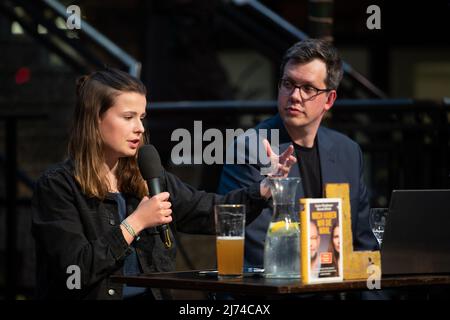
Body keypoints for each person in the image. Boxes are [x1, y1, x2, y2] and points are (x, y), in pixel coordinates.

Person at [31, 68, 296, 300]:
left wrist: (263, 188)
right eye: (128, 117)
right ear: (95, 119)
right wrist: (135, 223)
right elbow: (73, 271)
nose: (139, 128)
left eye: (142, 117)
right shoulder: (58, 186)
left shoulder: (148, 176)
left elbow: (209, 211)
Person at [218, 39, 379, 271]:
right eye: (288, 84)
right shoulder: (251, 147)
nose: (294, 95)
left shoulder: (348, 152)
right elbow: (256, 244)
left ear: (329, 100)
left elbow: (364, 244)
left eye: (308, 88)